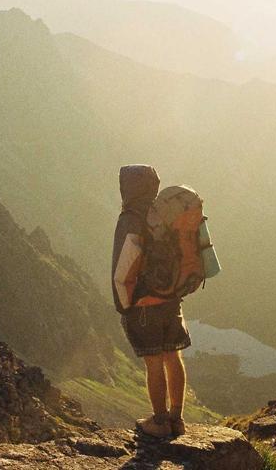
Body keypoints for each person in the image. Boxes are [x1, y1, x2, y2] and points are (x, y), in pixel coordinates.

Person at [111, 164, 191, 438]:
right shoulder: (165, 214)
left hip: (145, 305)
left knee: (154, 362)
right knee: (173, 356)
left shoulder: (131, 219)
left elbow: (123, 268)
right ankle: (177, 419)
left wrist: (124, 306)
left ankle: (158, 422)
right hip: (171, 299)